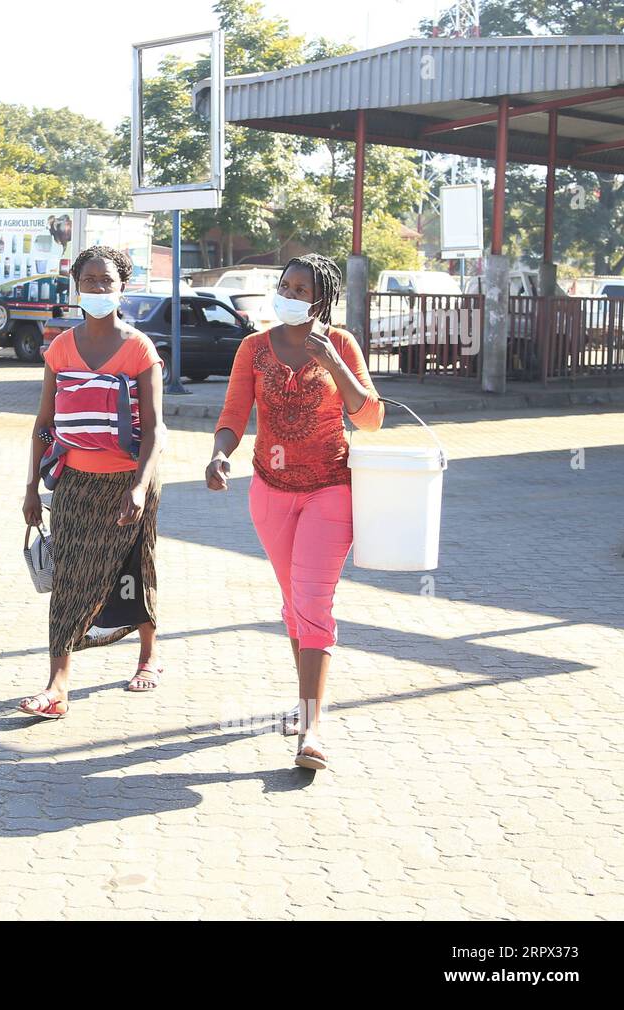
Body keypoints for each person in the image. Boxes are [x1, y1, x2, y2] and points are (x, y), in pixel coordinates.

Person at [206, 254, 384, 771]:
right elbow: (234, 413)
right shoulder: (252, 347)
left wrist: (331, 361)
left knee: (312, 602)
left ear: (321, 298)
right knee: (293, 603)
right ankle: (306, 703)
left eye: (301, 289)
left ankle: (311, 726)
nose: (289, 294)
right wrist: (221, 453)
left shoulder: (342, 344)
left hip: (330, 489)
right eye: (285, 285)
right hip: (269, 489)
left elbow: (370, 419)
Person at [19, 245, 166, 719]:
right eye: (89, 281)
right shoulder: (60, 348)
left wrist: (140, 487)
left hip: (128, 479)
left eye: (107, 281)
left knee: (134, 566)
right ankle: (57, 685)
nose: (98, 289)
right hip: (75, 481)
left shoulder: (139, 348)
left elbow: (156, 429)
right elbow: (44, 422)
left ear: (124, 286)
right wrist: (29, 487)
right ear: (76, 286)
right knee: (68, 578)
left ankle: (148, 656)